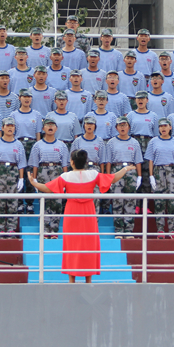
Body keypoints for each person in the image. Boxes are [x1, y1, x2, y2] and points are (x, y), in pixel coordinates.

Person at [28, 149, 135, 283]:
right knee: (88, 244)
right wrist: (125, 169)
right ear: (85, 162)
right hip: (88, 212)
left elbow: (47, 188)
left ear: (72, 162)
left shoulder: (66, 176)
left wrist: (33, 183)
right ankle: (88, 280)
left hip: (72, 213)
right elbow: (112, 178)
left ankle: (71, 281)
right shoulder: (93, 174)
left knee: (71, 245)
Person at [28, 118, 71, 236]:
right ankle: (45, 230)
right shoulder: (37, 145)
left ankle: (54, 230)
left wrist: (65, 181)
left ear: (56, 128)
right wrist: (35, 180)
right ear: (43, 128)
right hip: (43, 170)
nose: (50, 127)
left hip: (57, 171)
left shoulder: (61, 145)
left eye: (52, 125)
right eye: (47, 125)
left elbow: (64, 165)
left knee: (57, 202)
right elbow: (35, 164)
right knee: (44, 201)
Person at [145, 118, 174, 238]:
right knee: (159, 201)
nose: (163, 128)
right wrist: (151, 176)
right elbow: (150, 160)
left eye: (165, 126)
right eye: (161, 126)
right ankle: (160, 229)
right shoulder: (153, 141)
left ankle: (172, 229)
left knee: (173, 201)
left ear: (170, 127)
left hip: (172, 170)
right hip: (158, 170)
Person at [0, 117, 27, 236]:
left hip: (13, 171)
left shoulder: (18, 144)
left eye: (12, 126)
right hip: (0, 171)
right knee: (0, 202)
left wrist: (21, 178)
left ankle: (11, 228)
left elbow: (21, 163)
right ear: (2, 127)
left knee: (13, 202)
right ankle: (0, 228)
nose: (10, 128)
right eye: (8, 126)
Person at [104, 116, 143, 236]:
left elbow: (138, 161)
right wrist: (109, 177)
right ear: (116, 128)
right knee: (117, 201)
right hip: (117, 169)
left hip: (131, 170)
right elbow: (108, 161)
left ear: (129, 127)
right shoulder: (111, 142)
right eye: (120, 125)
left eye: (124, 125)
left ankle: (129, 230)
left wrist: (139, 177)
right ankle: (119, 230)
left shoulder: (134, 142)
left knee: (130, 200)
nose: (122, 127)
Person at [71, 116, 108, 213]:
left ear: (95, 126)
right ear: (84, 126)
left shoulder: (99, 141)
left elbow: (102, 160)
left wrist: (102, 175)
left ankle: (94, 219)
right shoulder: (78, 141)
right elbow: (73, 159)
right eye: (87, 124)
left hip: (95, 169)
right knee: (81, 195)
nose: (89, 126)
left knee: (95, 196)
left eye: (91, 124)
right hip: (81, 168)